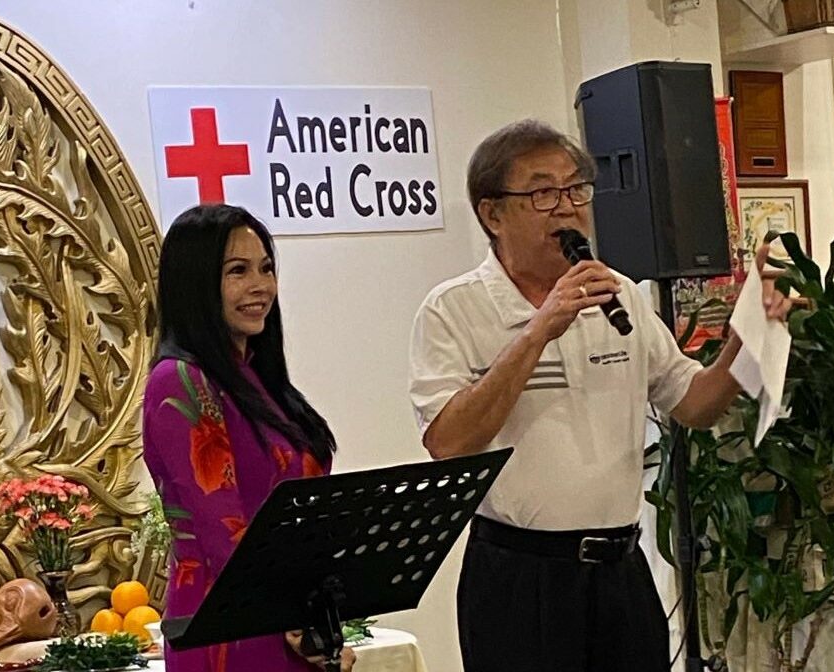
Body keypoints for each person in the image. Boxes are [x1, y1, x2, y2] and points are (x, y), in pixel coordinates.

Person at [408, 120, 790, 672]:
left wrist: (743, 338)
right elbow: (449, 441)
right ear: (492, 214)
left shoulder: (623, 296)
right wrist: (540, 329)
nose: (567, 208)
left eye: (576, 189)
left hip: (620, 573)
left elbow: (695, 406)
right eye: (542, 192)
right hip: (521, 579)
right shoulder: (453, 309)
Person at [143, 204, 356, 672]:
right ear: (195, 283)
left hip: (288, 623)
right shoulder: (179, 380)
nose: (261, 287)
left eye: (266, 268)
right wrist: (299, 624)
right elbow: (225, 531)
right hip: (229, 630)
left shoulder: (257, 378)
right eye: (237, 271)